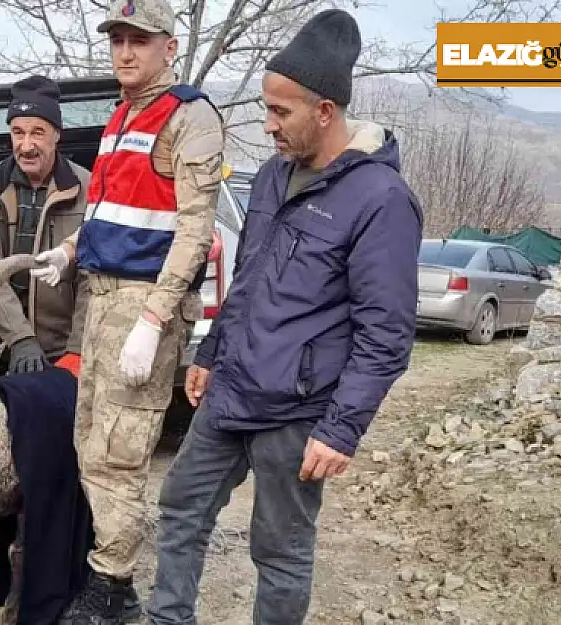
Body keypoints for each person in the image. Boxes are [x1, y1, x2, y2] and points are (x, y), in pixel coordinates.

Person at [145, 9, 424, 625]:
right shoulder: (274, 177)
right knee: (180, 508)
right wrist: (212, 353)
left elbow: (387, 335)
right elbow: (249, 279)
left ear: (324, 111)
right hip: (232, 392)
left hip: (298, 413)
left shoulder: (381, 200)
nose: (268, 125)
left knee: (280, 552)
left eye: (281, 112)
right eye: (266, 109)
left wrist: (341, 429)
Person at [29, 0, 226, 621]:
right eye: (117, 38)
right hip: (99, 298)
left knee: (119, 450)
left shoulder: (189, 118)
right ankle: (105, 569)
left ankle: (112, 587)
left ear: (168, 47)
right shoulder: (120, 116)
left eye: (139, 39)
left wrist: (153, 320)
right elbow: (105, 214)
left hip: (142, 303)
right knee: (90, 441)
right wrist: (67, 251)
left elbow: (196, 233)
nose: (124, 51)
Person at [0, 75, 91, 377]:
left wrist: (77, 350)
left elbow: (90, 280)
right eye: (18, 133)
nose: (27, 145)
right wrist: (21, 339)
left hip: (61, 350)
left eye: (37, 133)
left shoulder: (89, 187)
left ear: (57, 133)